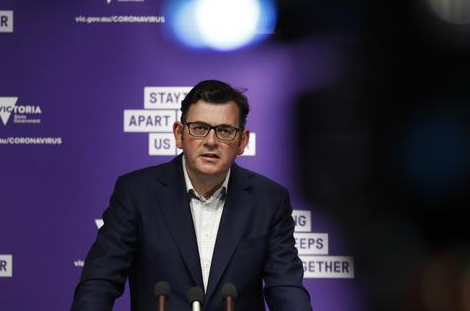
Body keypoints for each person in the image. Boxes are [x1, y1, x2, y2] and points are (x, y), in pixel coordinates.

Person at [72, 80, 311, 310]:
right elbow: (100, 281)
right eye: (199, 128)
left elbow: (286, 288)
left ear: (242, 141)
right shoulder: (137, 193)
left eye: (225, 131)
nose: (210, 141)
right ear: (179, 134)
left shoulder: (268, 200)